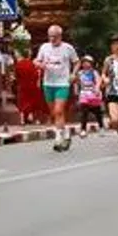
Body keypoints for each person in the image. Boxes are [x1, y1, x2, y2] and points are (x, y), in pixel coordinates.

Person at [34, 24, 79, 152]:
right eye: (50, 37)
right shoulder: (44, 47)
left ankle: (58, 138)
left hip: (63, 83)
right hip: (48, 83)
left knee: (59, 110)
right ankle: (65, 133)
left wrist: (73, 74)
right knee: (54, 112)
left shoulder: (68, 48)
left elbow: (76, 62)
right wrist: (39, 64)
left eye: (55, 37)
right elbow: (36, 61)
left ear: (60, 36)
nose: (52, 39)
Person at [75, 57, 104, 130]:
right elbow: (77, 82)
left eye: (87, 62)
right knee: (84, 110)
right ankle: (83, 129)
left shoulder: (94, 72)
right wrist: (76, 91)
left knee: (97, 111)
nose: (85, 63)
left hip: (93, 93)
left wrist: (97, 88)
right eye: (84, 62)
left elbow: (98, 81)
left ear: (91, 63)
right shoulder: (80, 73)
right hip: (84, 93)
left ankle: (101, 126)